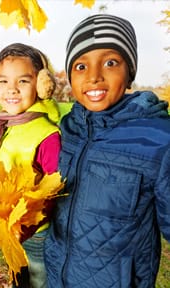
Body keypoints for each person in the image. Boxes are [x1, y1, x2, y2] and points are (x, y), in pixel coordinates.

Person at [44, 14, 170, 288]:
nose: (94, 77)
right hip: (59, 277)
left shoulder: (158, 139)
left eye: (110, 62)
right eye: (80, 66)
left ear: (129, 72)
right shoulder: (68, 129)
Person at [0, 43, 61, 288]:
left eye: (23, 81)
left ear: (41, 84)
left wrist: (26, 226)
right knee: (18, 279)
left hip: (36, 232)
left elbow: (54, 191)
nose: (12, 89)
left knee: (38, 280)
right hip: (10, 229)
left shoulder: (47, 134)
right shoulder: (3, 128)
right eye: (3, 82)